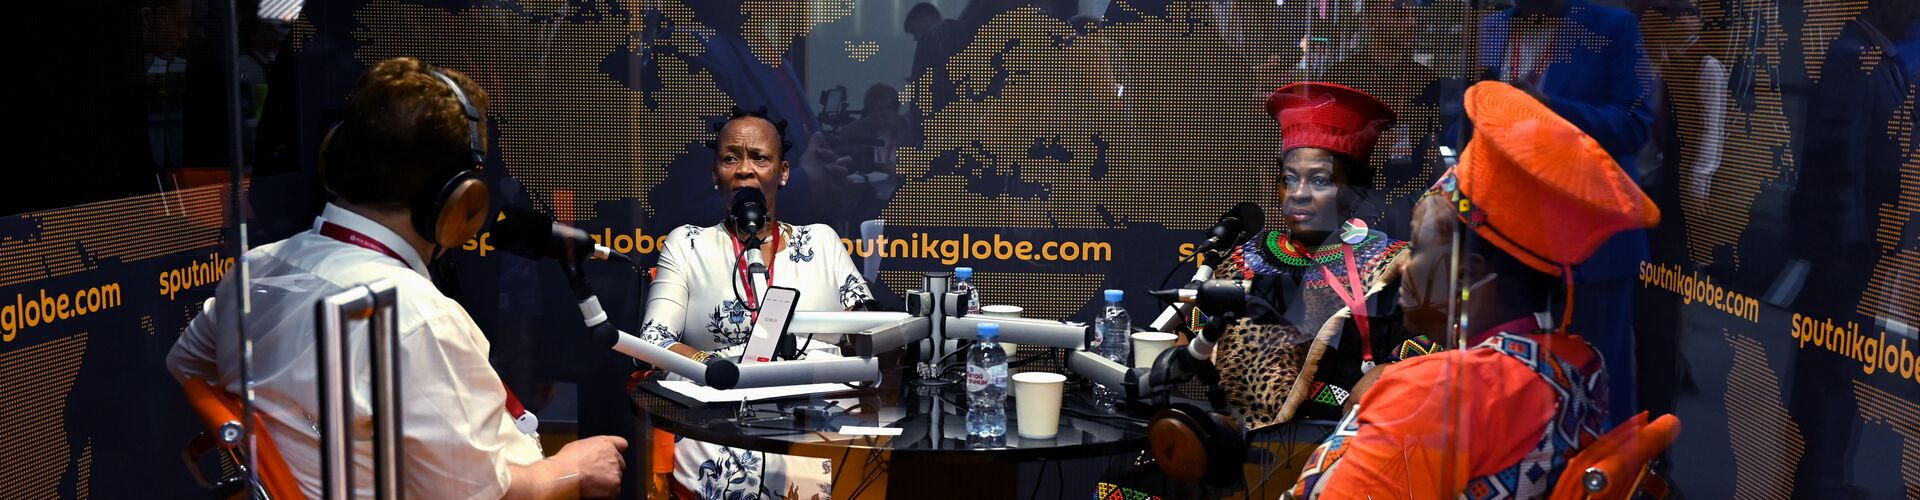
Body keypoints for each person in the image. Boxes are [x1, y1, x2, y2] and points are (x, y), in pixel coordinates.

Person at [166, 57, 626, 499]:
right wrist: (575, 469)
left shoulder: (255, 271)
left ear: (334, 158)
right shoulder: (416, 319)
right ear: (461, 199)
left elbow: (187, 364)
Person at [1288, 80, 1662, 497]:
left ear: (1466, 275)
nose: (1403, 265)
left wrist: (1407, 391)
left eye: (1419, 248)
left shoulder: (1430, 397)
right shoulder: (1580, 366)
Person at [639, 107, 876, 499]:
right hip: (718, 421)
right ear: (715, 174)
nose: (744, 169)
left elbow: (869, 332)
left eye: (759, 158)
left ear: (783, 173)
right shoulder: (687, 245)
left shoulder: (821, 242)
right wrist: (718, 368)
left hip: (812, 423)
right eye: (730, 158)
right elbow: (654, 343)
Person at [1206, 82, 1431, 431]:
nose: (1298, 194)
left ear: (1353, 193)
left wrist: (1390, 373)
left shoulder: (1393, 265)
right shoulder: (1247, 258)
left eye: (1320, 181)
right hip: (1245, 444)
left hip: (1346, 440)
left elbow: (1436, 347)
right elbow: (1198, 335)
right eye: (1288, 179)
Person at [1478, 0, 1655, 421]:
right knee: (1511, 384)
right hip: (1509, 237)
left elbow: (1634, 125)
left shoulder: (1613, 27)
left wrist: (1548, 109)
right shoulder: (1492, 28)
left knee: (1596, 385)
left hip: (1592, 242)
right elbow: (1470, 112)